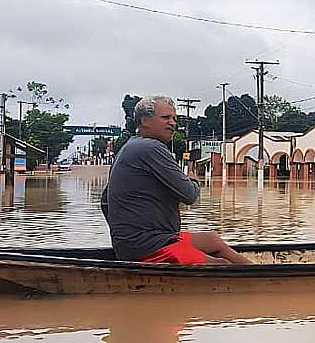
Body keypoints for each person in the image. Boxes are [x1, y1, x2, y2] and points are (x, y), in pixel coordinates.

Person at [100, 95, 251, 265]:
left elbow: (105, 202)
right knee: (221, 265)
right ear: (144, 121)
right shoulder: (151, 148)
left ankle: (260, 275)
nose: (173, 123)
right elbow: (189, 195)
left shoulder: (129, 147)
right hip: (149, 246)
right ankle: (263, 282)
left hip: (145, 241)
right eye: (165, 118)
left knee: (212, 240)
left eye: (174, 118)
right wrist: (194, 181)